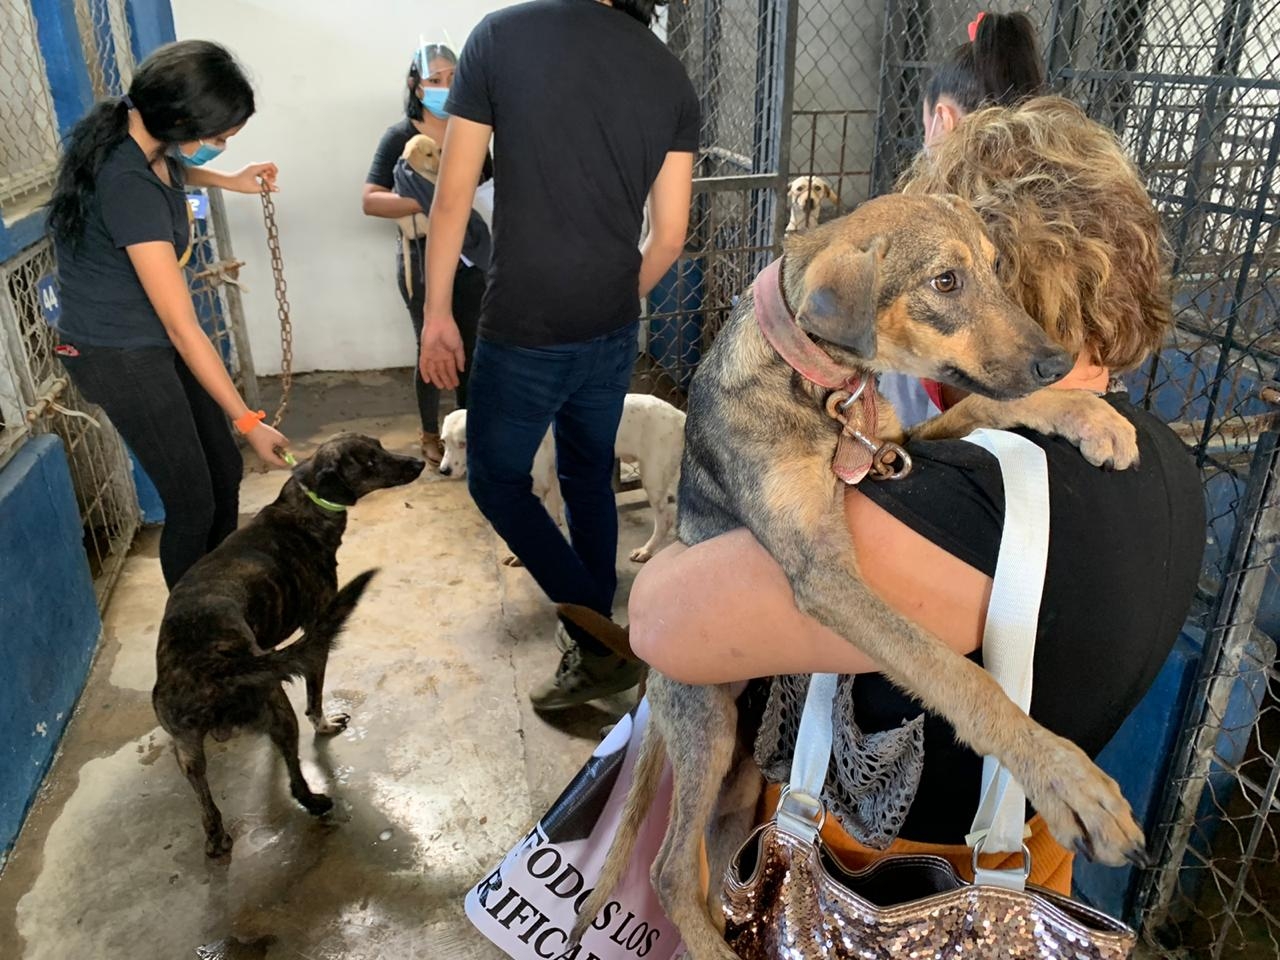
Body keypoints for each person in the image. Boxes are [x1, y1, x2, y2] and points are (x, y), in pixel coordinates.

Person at [626, 97, 1205, 890]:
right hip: (1035, 870)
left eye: (980, 275)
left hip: (897, 888)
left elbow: (660, 623)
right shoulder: (1161, 463)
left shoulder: (965, 506)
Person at [419, 0, 699, 711]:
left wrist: (437, 312)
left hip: (526, 324)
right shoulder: (666, 71)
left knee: (496, 480)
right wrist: (617, 294)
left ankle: (600, 638)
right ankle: (597, 638)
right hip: (610, 323)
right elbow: (670, 235)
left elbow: (452, 198)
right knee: (585, 474)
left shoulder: (501, 38)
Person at [48, 40, 289, 590]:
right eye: (220, 138)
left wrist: (229, 179)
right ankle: (194, 636)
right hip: (119, 354)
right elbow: (184, 327)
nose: (221, 147)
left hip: (148, 338)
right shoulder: (124, 181)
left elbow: (172, 171)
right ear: (179, 119)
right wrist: (248, 420)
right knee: (192, 502)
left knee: (224, 472)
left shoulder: (141, 141)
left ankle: (222, 598)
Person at [882, 10, 1046, 427]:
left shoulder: (928, 207)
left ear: (942, 119)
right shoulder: (1058, 197)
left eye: (925, 125)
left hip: (948, 408)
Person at [361, 42, 493, 466]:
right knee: (432, 344)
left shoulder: (471, 130)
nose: (445, 87)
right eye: (435, 79)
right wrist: (428, 201)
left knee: (471, 347)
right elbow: (371, 200)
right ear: (416, 87)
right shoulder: (400, 137)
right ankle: (429, 433)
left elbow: (486, 192)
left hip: (472, 257)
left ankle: (467, 433)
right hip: (421, 259)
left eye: (453, 78)